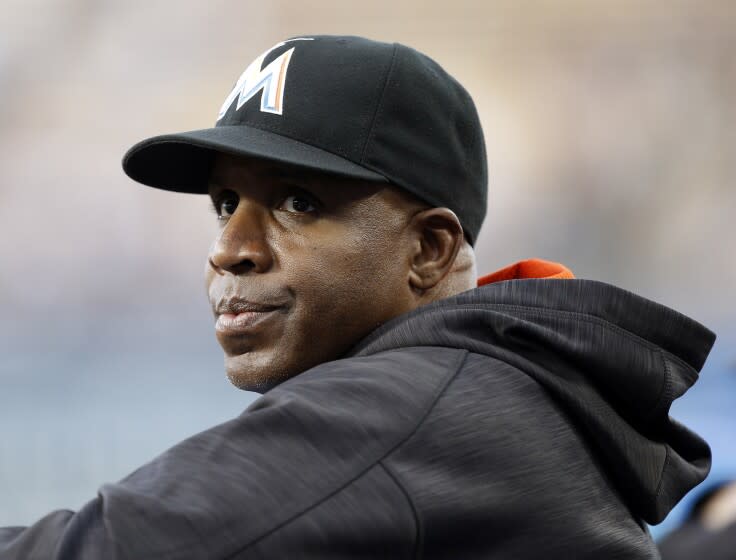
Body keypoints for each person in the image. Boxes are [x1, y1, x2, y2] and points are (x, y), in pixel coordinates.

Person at [0, 35, 717, 559]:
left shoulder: (412, 404)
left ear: (429, 250)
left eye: (299, 202)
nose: (229, 248)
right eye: (225, 203)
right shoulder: (490, 389)